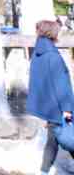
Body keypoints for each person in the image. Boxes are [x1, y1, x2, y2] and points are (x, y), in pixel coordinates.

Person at [28, 20, 74, 175]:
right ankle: (44, 171)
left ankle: (44, 171)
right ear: (52, 33)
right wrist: (67, 109)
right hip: (60, 109)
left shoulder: (38, 52)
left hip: (49, 107)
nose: (59, 33)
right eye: (57, 31)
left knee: (53, 141)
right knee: (69, 136)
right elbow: (61, 86)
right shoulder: (52, 56)